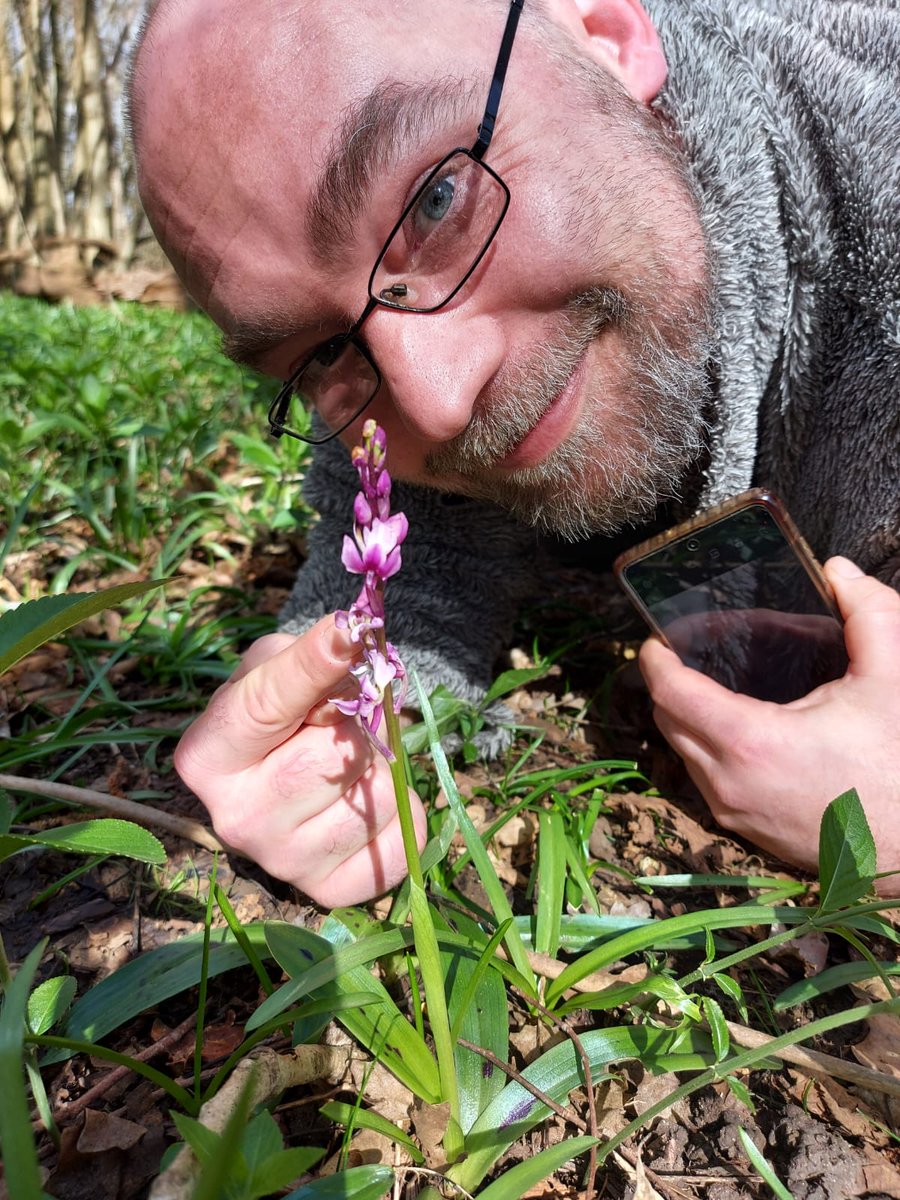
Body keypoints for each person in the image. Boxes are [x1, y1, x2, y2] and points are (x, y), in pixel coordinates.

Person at [129, 0, 900, 906]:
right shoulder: (390, 381)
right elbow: (406, 548)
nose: (438, 400)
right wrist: (350, 716)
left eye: (435, 200)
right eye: (323, 351)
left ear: (609, 35)